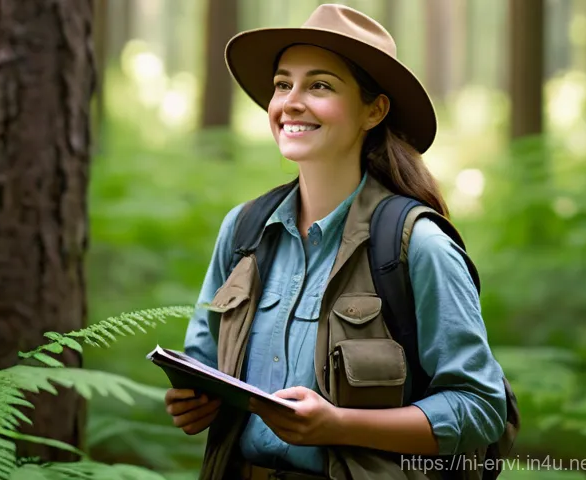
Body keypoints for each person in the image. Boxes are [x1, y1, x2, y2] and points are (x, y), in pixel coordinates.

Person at [164, 4, 508, 480]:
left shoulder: (417, 246)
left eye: (319, 85)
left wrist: (339, 424)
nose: (291, 101)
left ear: (374, 110)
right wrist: (193, 402)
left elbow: (479, 409)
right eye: (283, 84)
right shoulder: (242, 231)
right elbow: (203, 364)